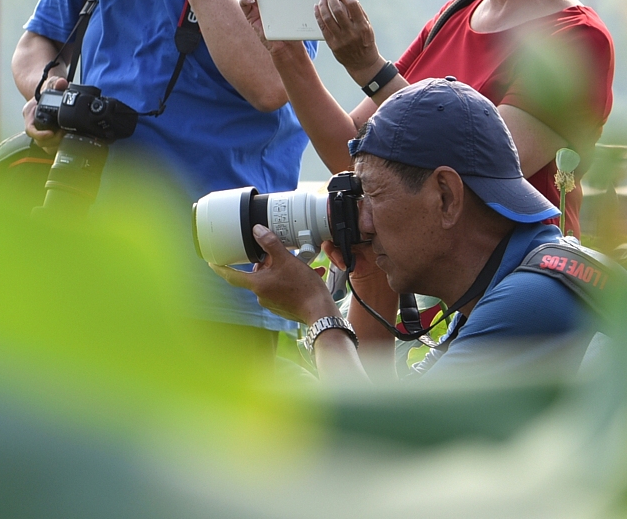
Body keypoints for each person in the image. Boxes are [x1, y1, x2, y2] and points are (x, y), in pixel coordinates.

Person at [12, 0, 315, 352]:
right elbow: (36, 46)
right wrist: (49, 93)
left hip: (220, 283)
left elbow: (271, 87)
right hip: (104, 259)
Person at [239, 0, 612, 239]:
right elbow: (348, 154)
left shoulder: (576, 41)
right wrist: (284, 49)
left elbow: (479, 174)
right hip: (419, 296)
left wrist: (370, 69)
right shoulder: (453, 16)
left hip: (509, 293)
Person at [213, 78, 594, 382]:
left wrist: (318, 312)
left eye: (372, 196)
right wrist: (370, 282)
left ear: (446, 196)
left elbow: (384, 449)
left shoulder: (532, 301)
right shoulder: (504, 285)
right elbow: (395, 408)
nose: (362, 222)